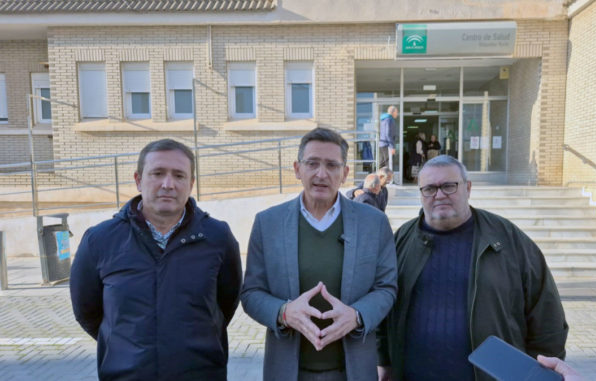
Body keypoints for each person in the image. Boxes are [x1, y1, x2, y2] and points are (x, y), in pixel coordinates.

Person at [377, 155, 568, 381]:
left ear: (467, 187)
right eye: (429, 188)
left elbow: (547, 317)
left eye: (449, 186)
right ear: (421, 193)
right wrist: (384, 361)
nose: (439, 195)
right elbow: (382, 308)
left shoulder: (507, 240)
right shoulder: (401, 241)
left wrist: (536, 375)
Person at [70, 139, 242, 381]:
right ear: (138, 180)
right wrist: (127, 347)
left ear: (191, 184)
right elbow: (87, 311)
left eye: (179, 175)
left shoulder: (217, 237)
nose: (168, 184)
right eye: (158, 173)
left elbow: (226, 304)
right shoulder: (100, 240)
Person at [241, 127, 397, 381]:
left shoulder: (375, 223)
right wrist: (283, 312)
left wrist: (357, 316)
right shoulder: (268, 223)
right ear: (297, 169)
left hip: (354, 371)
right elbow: (251, 293)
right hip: (288, 371)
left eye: (332, 165)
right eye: (312, 163)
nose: (321, 174)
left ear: (345, 173)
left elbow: (387, 288)